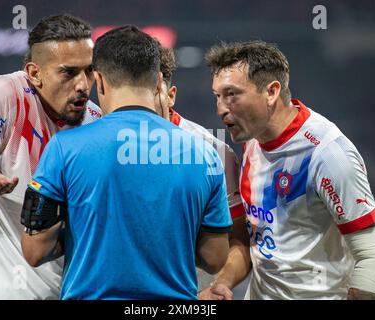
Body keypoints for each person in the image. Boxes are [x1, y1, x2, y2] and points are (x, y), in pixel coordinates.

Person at [20, 25, 232, 300]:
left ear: (100, 81)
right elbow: (215, 258)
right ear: (159, 82)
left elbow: (34, 251)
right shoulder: (204, 154)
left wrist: (80, 229)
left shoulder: (63, 148)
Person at [199, 41, 375, 300]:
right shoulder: (253, 142)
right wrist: (224, 282)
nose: (221, 108)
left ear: (272, 91)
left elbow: (371, 257)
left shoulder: (328, 154)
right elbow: (252, 242)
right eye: (217, 96)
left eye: (232, 94)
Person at [0, 14, 102, 300]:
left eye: (89, 71)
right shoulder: (3, 96)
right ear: (34, 73)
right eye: (68, 72)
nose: (83, 84)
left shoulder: (94, 120)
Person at [155, 45, 245, 290]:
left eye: (150, 93)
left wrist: (220, 285)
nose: (138, 106)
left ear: (170, 95)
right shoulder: (99, 148)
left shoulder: (214, 153)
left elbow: (239, 239)